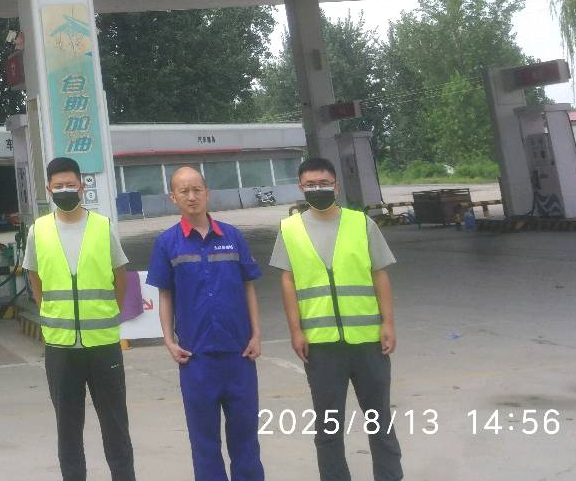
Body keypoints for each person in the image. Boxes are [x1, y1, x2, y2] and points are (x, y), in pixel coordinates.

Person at [270, 157, 402, 481]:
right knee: (328, 427)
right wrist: (295, 330)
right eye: (311, 184)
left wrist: (388, 323)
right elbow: (287, 281)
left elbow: (379, 274)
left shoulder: (362, 223)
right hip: (321, 346)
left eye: (324, 183)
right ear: (301, 188)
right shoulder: (290, 229)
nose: (318, 189)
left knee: (379, 420)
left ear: (336, 186)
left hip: (368, 341)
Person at [146, 167, 265, 481]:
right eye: (183, 191)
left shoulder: (232, 237)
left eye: (197, 189)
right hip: (196, 359)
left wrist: (256, 333)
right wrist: (169, 341)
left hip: (239, 355)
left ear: (207, 193)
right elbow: (165, 295)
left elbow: (248, 286)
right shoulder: (167, 243)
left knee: (246, 439)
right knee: (204, 443)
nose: (191, 196)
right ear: (173, 197)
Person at [23, 156, 137, 481]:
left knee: (115, 426)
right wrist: (52, 314)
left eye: (70, 184)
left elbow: (119, 276)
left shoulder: (102, 226)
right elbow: (35, 279)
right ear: (49, 190)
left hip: (103, 345)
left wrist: (108, 313)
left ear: (81, 186)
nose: (64, 190)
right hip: (60, 348)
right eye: (58, 186)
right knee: (68, 430)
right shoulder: (38, 231)